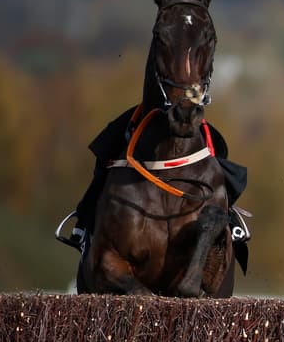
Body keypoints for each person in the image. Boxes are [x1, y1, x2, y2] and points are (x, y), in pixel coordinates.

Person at [56, 106, 250, 259]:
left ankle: (229, 219)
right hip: (154, 106)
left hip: (191, 109)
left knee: (217, 152)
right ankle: (84, 220)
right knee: (107, 146)